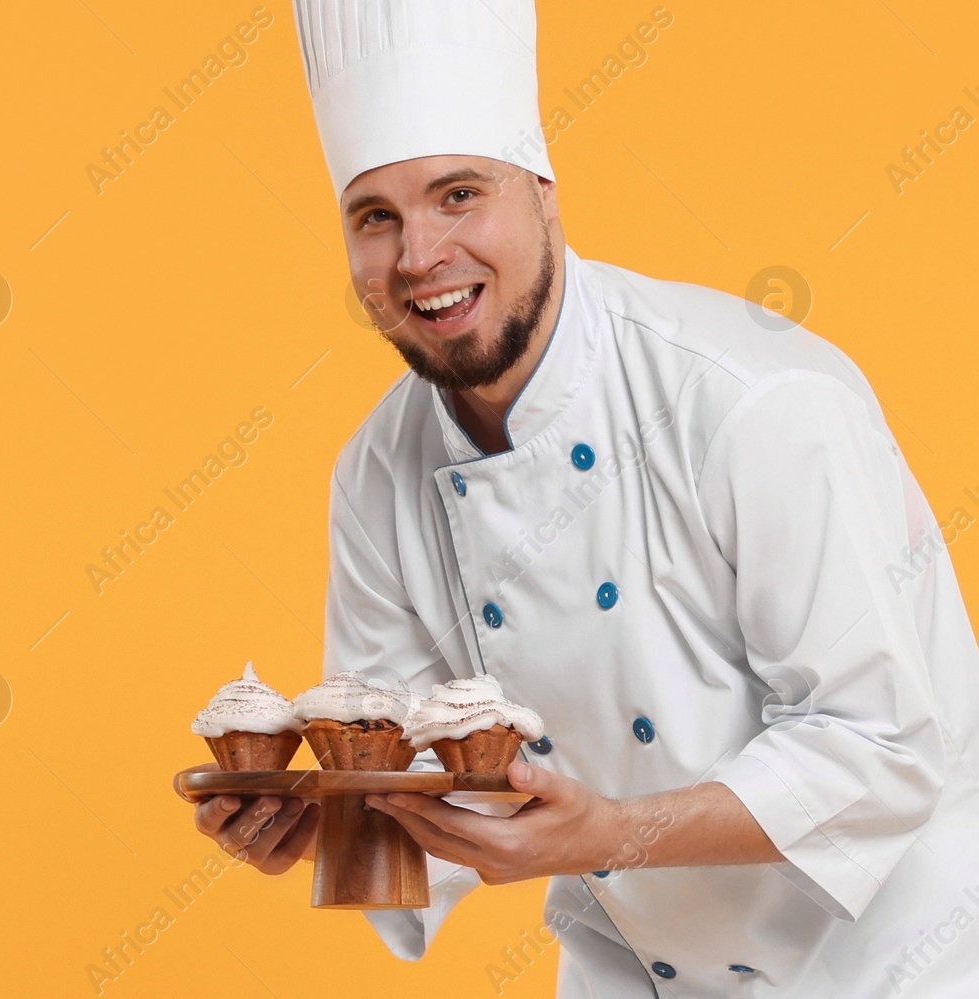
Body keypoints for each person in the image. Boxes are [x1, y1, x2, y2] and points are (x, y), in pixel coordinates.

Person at [190, 1, 979, 995]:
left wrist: (610, 832)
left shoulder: (751, 403)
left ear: (544, 196)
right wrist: (324, 830)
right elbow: (419, 780)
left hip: (900, 959)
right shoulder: (376, 471)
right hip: (639, 963)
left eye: (458, 195)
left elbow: (884, 747)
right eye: (375, 217)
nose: (419, 255)